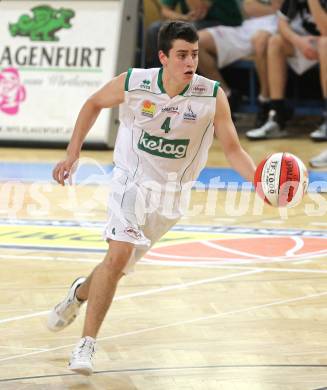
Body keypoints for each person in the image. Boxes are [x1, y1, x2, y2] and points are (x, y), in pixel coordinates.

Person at [47, 21, 256, 376]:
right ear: (163, 57)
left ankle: (80, 293)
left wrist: (258, 183)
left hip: (171, 195)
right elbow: (94, 102)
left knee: (115, 268)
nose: (190, 62)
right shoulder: (135, 83)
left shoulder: (211, 95)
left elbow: (233, 149)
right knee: (118, 255)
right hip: (131, 180)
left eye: (194, 55)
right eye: (181, 55)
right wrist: (72, 153)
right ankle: (85, 346)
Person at [246, 0, 327, 140]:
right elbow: (281, 23)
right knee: (275, 42)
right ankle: (277, 117)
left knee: (325, 44)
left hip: (324, 40)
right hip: (307, 41)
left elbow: (325, 29)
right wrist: (298, 42)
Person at [197, 0, 283, 124]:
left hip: (279, 26)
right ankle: (227, 95)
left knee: (260, 42)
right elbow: (249, 6)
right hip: (245, 27)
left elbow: (286, 11)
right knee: (195, 41)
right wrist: (276, 9)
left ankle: (265, 100)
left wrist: (274, 9)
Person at [146, 0, 243, 68]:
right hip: (195, 21)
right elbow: (165, 11)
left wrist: (186, 20)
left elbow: (200, 10)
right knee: (155, 29)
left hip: (224, 23)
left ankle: (182, 79)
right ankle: (159, 77)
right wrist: (183, 17)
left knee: (186, 31)